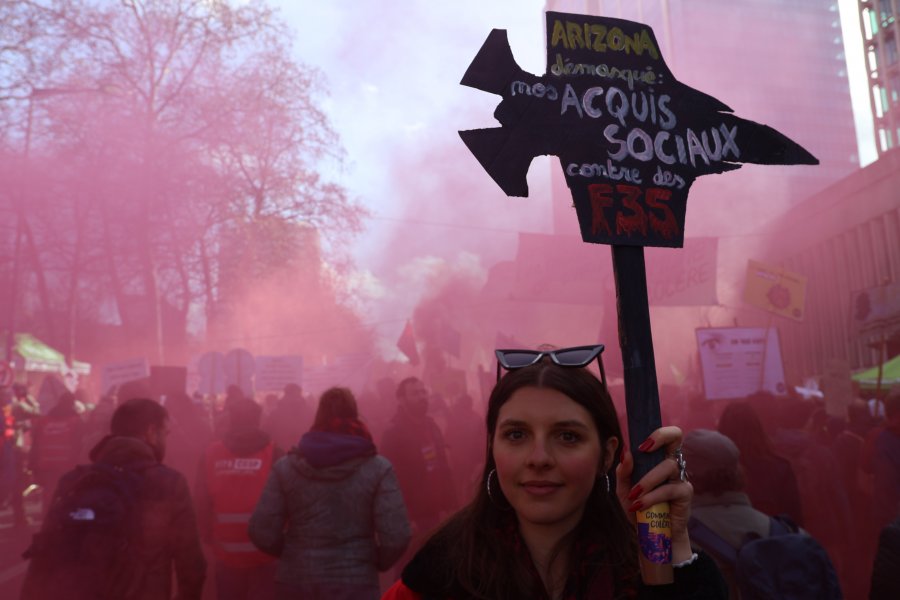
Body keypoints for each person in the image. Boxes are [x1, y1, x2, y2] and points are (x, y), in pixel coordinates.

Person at [382, 353, 726, 600]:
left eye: (567, 436)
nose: (539, 459)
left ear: (607, 454)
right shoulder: (436, 575)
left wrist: (674, 546)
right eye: (516, 435)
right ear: (492, 447)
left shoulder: (647, 566)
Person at [21, 397, 207, 599]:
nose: (165, 440)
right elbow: (191, 565)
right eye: (165, 433)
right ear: (151, 432)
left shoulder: (74, 481)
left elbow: (45, 551)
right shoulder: (169, 483)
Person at [249, 386, 410, 600]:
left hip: (296, 581)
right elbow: (397, 536)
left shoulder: (285, 467)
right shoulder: (379, 468)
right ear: (355, 414)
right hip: (356, 582)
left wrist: (292, 552)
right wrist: (372, 561)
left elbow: (261, 530)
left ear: (318, 416)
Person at [196, 397, 280, 600]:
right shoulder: (274, 453)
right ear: (258, 421)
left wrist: (207, 536)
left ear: (231, 421)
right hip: (266, 554)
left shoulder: (210, 454)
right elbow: (286, 501)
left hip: (227, 554)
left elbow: (200, 501)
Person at [380, 377, 457, 536]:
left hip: (439, 510)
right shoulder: (393, 433)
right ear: (401, 399)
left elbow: (443, 467)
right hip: (415, 517)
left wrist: (451, 503)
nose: (422, 397)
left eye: (423, 392)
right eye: (415, 393)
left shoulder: (432, 426)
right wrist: (404, 517)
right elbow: (389, 480)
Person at [716, 400, 803, 525]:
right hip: (772, 539)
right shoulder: (780, 468)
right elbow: (794, 521)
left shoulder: (713, 471)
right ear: (757, 427)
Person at [29, 391, 85, 510]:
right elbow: (80, 446)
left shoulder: (44, 421)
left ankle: (47, 524)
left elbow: (35, 444)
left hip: (46, 466)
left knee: (49, 497)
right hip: (67, 467)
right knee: (67, 497)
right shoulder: (76, 421)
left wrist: (33, 466)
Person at [262, 383, 310, 452]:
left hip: (281, 451)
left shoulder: (275, 413)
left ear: (285, 393)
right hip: (303, 453)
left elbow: (266, 432)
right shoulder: (309, 412)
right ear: (299, 393)